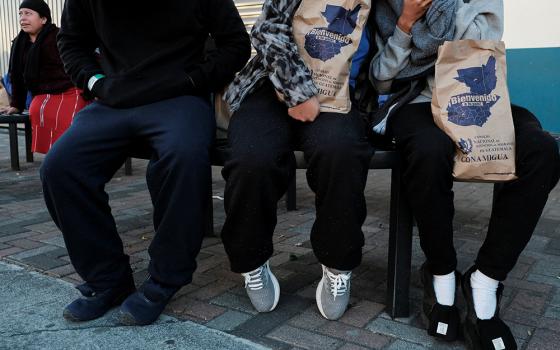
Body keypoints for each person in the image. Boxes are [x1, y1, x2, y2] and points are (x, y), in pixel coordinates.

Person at [40, 0, 251, 326]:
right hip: (115, 98)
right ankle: (108, 279)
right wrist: (95, 83)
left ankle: (167, 276)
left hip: (180, 96)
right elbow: (71, 41)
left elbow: (236, 43)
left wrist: (194, 80)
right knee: (61, 167)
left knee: (182, 158)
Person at [370, 0, 560, 348]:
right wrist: (407, 20)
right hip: (416, 102)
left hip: (475, 101)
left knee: (541, 150)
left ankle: (485, 279)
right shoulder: (388, 5)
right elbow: (382, 79)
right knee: (429, 150)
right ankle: (441, 272)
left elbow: (477, 49)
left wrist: (437, 17)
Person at [222, 0, 377, 320]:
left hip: (340, 88)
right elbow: (267, 28)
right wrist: (297, 90)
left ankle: (338, 263)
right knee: (252, 156)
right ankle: (251, 260)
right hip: (273, 81)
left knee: (341, 151)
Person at [0, 0, 88, 154]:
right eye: (20, 14)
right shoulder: (19, 43)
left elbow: (84, 59)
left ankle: (74, 153)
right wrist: (16, 104)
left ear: (43, 19)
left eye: (28, 13)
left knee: (71, 116)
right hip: (43, 94)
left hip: (72, 89)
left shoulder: (60, 37)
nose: (22, 18)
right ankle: (54, 154)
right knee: (36, 108)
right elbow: (16, 76)